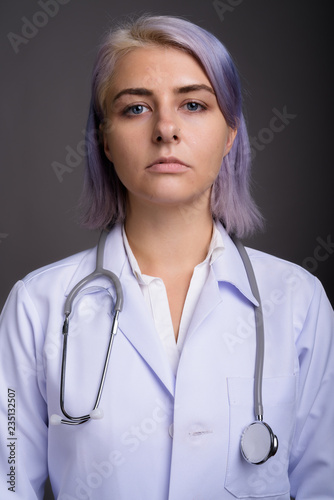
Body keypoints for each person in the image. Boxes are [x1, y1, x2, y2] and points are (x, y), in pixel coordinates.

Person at [0, 14, 333, 500]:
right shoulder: (37, 305)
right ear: (104, 140)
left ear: (231, 134)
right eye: (136, 109)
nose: (166, 129)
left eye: (194, 104)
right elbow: (7, 482)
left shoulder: (298, 301)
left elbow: (323, 484)